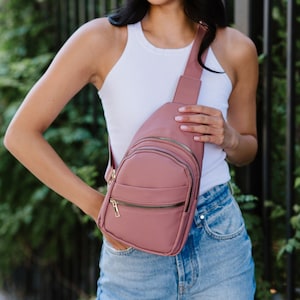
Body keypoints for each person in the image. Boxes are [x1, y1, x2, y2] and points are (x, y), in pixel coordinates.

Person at [4, 0, 258, 299]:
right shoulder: (102, 40)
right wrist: (99, 208)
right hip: (133, 246)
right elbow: (20, 135)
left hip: (218, 242)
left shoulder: (235, 48)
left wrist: (229, 138)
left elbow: (247, 150)